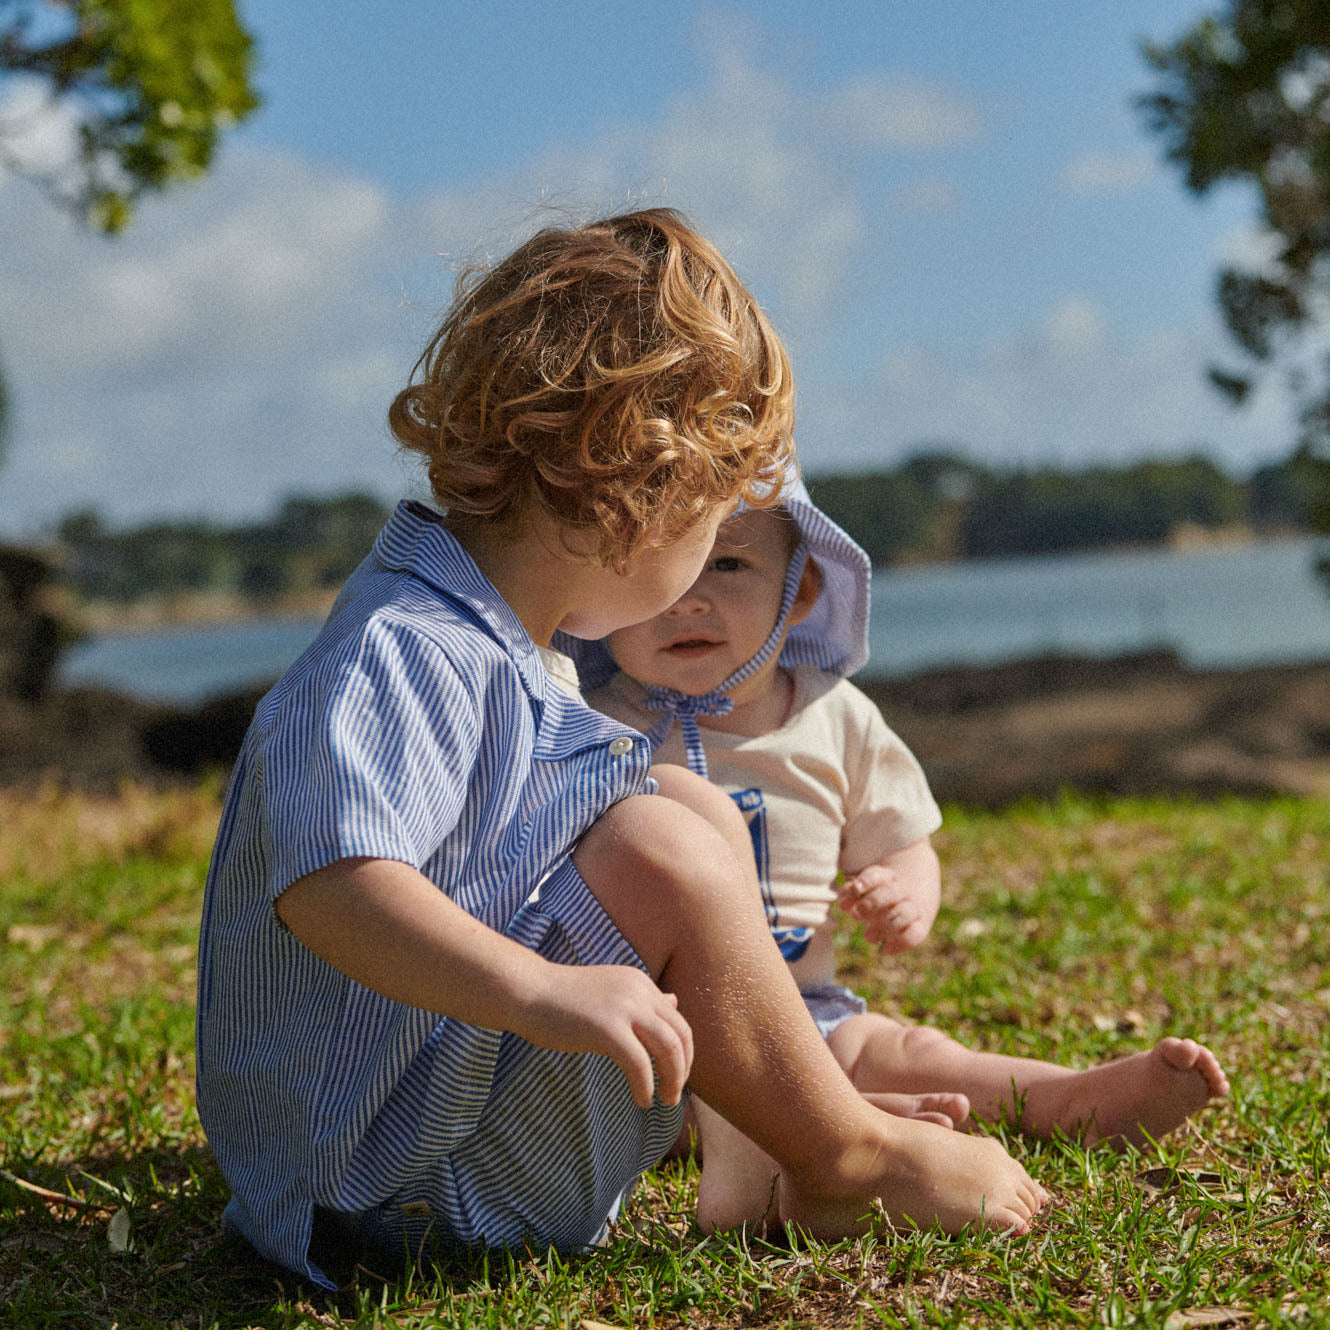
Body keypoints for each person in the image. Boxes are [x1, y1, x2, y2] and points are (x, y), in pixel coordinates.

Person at [194, 208, 1047, 1290]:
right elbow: (330, 887)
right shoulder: (405, 648)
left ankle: (772, 1142)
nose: (703, 571)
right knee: (657, 841)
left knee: (681, 809)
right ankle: (847, 1156)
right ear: (642, 494)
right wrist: (537, 992)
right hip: (387, 1194)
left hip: (422, 1136)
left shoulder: (506, 642)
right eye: (711, 526)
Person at [570, 485, 1230, 1231]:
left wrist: (906, 892)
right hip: (659, 1030)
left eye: (724, 565)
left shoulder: (835, 716)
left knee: (906, 1046)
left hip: (807, 1011)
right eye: (660, 569)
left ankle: (1064, 1098)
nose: (689, 599)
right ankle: (826, 1124)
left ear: (799, 591)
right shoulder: (592, 724)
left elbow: (904, 839)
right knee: (672, 1106)